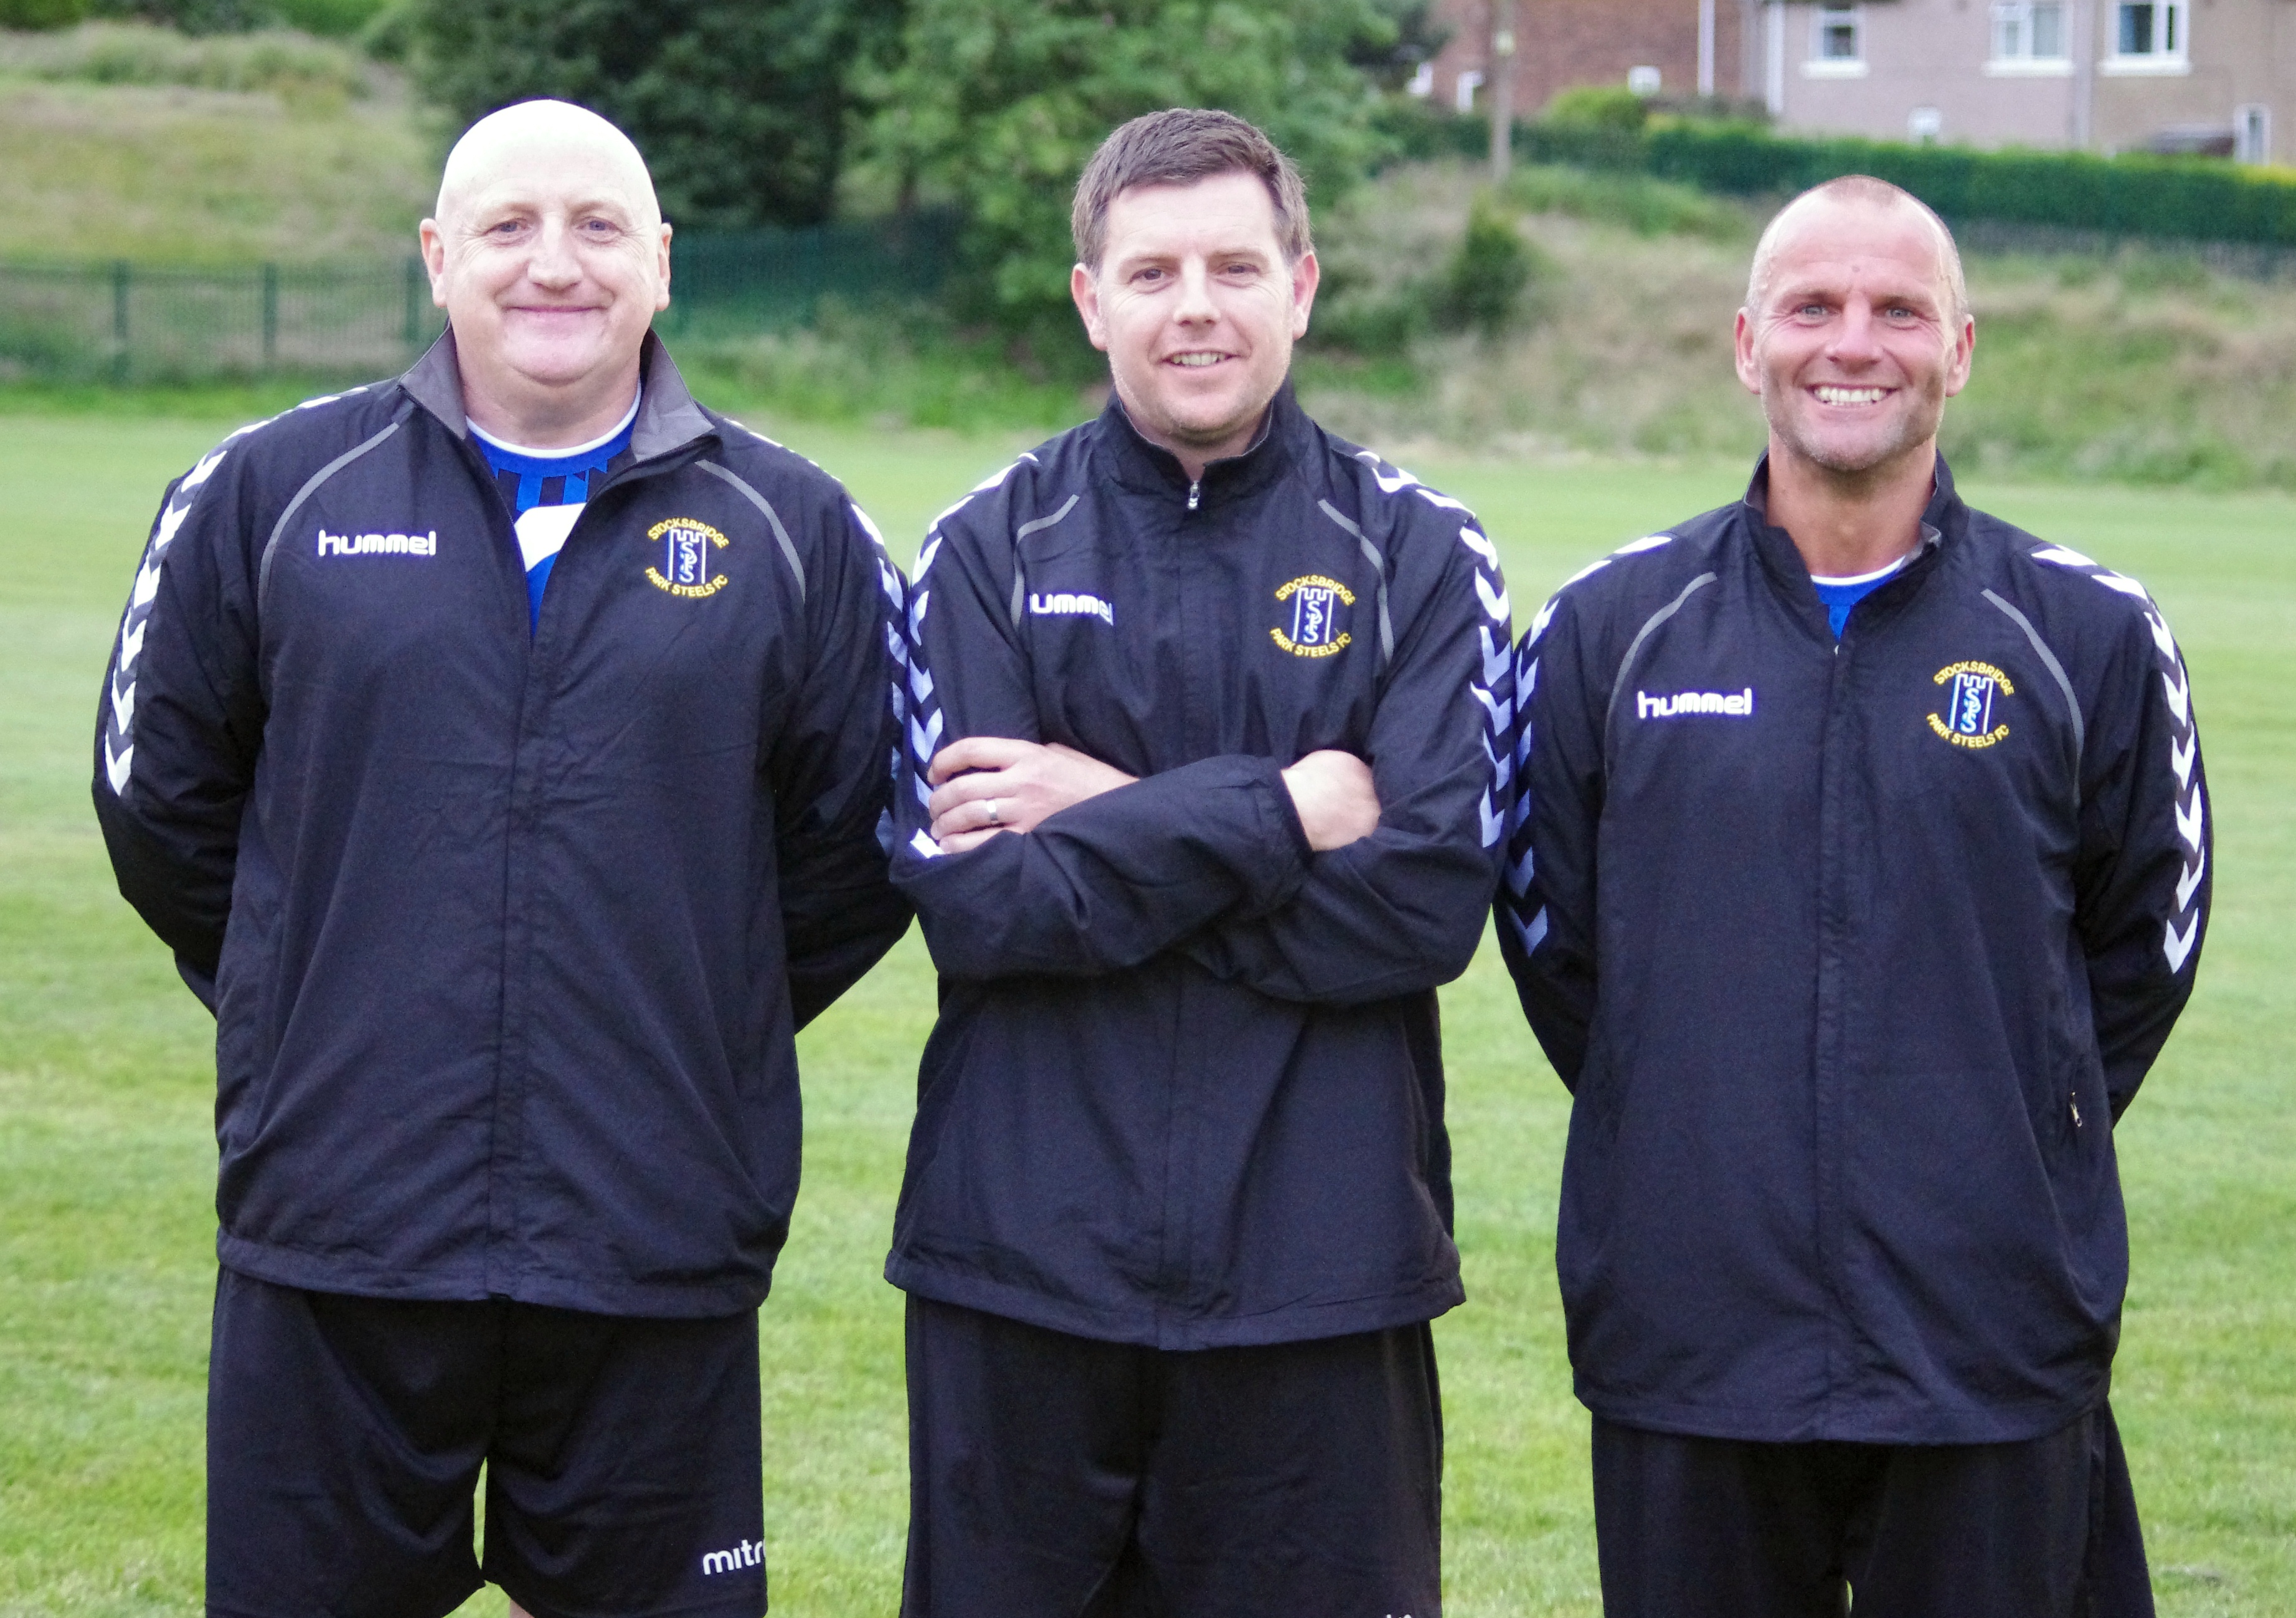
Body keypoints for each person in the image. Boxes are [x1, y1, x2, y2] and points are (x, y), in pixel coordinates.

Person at [92, 99, 909, 1618]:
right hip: (339, 1234)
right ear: (436, 257)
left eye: (599, 227)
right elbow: (161, 806)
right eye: (509, 228)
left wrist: (689, 1012)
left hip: (651, 1235)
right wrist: (312, 996)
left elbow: (854, 848)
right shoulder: (270, 495)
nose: (555, 266)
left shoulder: (794, 528)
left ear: (661, 263)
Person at [1500, 174, 2208, 1617]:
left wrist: (2002, 1128)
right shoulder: (1607, 630)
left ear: (1959, 348)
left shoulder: (2085, 632)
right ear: (1745, 340)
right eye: (1812, 306)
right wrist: (1690, 1119)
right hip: (1691, 1333)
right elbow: (1554, 944)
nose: (1852, 341)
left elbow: (2140, 950)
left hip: (1985, 1333)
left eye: (1898, 309)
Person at [882, 108, 1513, 1616]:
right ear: (1090, 298)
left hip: (1317, 1270)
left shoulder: (1419, 554)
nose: (1196, 306)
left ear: (1300, 285)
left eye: (1235, 265)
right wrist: (1284, 811)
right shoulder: (985, 547)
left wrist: (1100, 806)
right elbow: (981, 906)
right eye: (1151, 270)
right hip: (1020, 1264)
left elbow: (1422, 907)